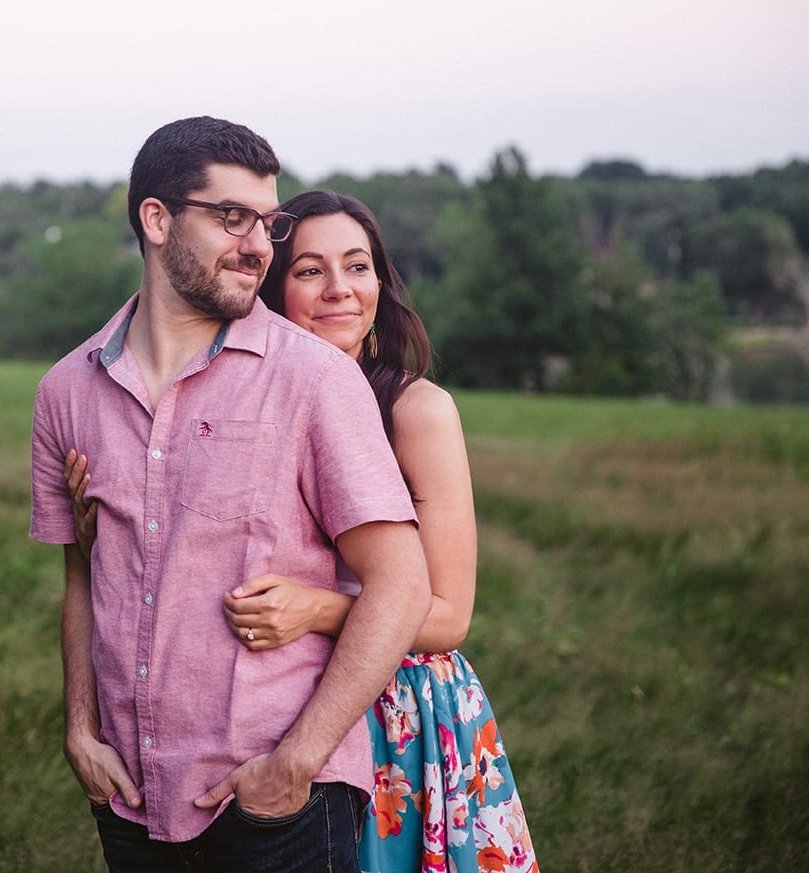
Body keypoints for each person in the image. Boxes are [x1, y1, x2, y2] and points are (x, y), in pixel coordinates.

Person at [68, 190, 539, 872]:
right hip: (285, 705)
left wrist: (318, 609)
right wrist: (101, 536)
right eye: (310, 271)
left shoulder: (415, 410)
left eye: (357, 266)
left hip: (398, 711)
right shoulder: (245, 397)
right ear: (270, 285)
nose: (339, 290)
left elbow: (448, 616)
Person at [30, 118, 431, 873]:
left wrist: (295, 763)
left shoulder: (313, 379)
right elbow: (83, 574)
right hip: (129, 795)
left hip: (277, 801)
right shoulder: (66, 391)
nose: (258, 243)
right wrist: (79, 729)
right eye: (230, 217)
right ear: (156, 219)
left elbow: (402, 584)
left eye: (266, 221)